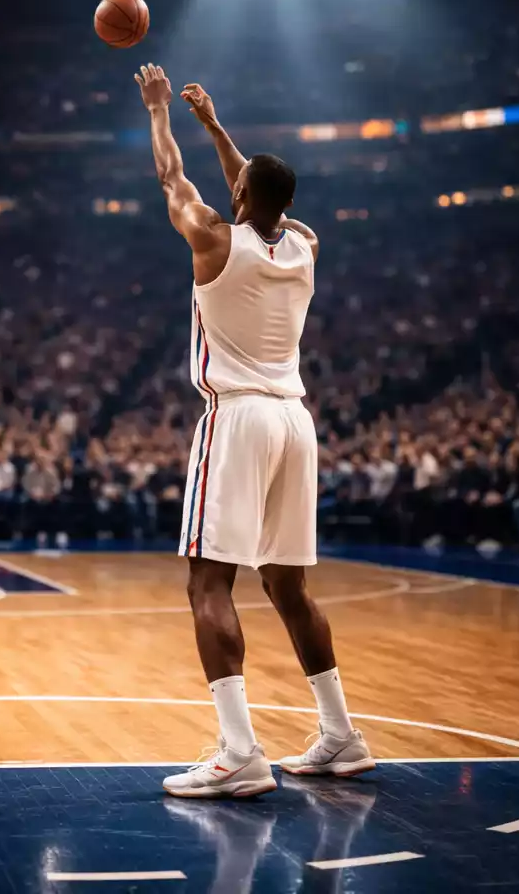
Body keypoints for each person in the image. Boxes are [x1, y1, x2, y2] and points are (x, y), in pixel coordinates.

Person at [137, 66, 372, 799]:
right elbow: (257, 190)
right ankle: (340, 736)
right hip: (295, 422)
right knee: (289, 587)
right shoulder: (303, 243)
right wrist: (218, 126)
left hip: (236, 416)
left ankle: (239, 751)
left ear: (238, 198)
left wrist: (161, 115)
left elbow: (173, 178)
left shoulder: (212, 240)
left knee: (208, 584)